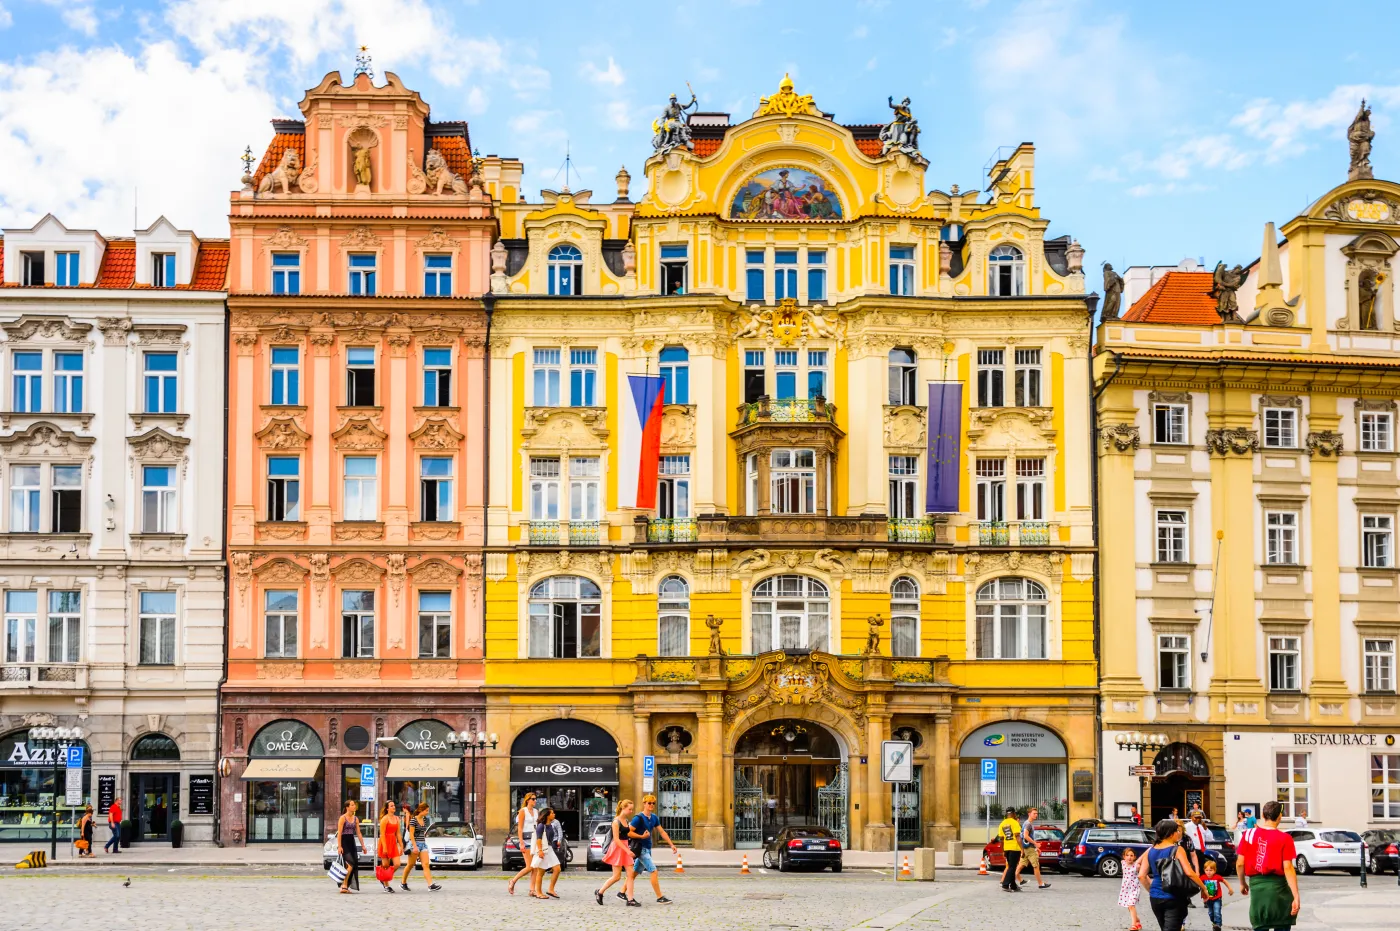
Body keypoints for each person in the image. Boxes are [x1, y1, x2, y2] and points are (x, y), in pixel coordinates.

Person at [1236, 800, 1301, 931]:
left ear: (1263, 815)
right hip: (1279, 889)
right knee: (1282, 923)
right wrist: (1296, 896)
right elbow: (1288, 868)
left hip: (1258, 888)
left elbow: (1240, 863)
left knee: (1260, 925)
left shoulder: (1248, 834)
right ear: (1279, 817)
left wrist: (1242, 883)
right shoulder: (1285, 838)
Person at [1137, 818, 1207, 931]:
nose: (1178, 833)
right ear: (1170, 834)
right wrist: (1203, 888)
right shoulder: (1177, 849)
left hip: (1155, 898)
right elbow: (1189, 873)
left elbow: (1141, 875)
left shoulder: (1151, 850)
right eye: (1177, 831)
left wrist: (1153, 890)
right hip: (1174, 897)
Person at [629, 794, 678, 904]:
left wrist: (671, 844)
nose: (651, 805)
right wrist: (641, 836)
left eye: (653, 803)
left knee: (634, 873)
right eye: (649, 803)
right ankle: (660, 897)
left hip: (647, 848)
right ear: (644, 804)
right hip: (640, 849)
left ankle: (622, 892)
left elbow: (662, 832)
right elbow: (629, 832)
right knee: (654, 871)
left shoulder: (654, 817)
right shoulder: (638, 818)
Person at [595, 799, 639, 907]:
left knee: (630, 874)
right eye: (630, 809)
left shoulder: (626, 821)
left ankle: (630, 899)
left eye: (632, 809)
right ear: (623, 808)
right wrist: (628, 851)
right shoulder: (616, 822)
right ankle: (600, 892)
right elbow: (616, 839)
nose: (631, 811)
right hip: (618, 848)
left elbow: (627, 835)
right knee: (616, 876)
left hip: (624, 847)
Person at [402, 802, 441, 892]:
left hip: (423, 844)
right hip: (414, 844)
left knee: (426, 865)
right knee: (410, 865)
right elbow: (411, 834)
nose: (427, 812)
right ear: (421, 810)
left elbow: (423, 832)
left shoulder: (424, 820)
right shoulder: (413, 820)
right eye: (426, 810)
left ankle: (430, 885)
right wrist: (415, 847)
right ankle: (403, 882)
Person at [507, 793, 538, 895]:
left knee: (535, 867)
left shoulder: (536, 811)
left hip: (535, 840)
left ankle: (532, 890)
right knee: (529, 866)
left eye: (535, 799)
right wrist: (521, 842)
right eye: (533, 799)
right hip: (526, 840)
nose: (535, 801)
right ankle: (513, 880)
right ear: (528, 800)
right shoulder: (522, 811)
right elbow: (520, 828)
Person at [1014, 806, 1051, 889]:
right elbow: (1026, 836)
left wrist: (1036, 847)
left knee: (1021, 865)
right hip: (1029, 849)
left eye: (1037, 814)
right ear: (1029, 814)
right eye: (1034, 813)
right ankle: (1041, 883)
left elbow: (1025, 837)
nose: (1036, 815)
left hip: (1026, 848)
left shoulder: (1026, 823)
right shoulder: (1028, 824)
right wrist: (1036, 844)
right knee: (1036, 865)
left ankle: (1017, 880)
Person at [530, 807, 562, 899]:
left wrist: (556, 843)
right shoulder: (541, 826)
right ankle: (539, 892)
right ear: (547, 815)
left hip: (550, 849)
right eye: (552, 813)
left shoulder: (551, 825)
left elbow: (550, 839)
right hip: (543, 850)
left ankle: (550, 889)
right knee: (541, 872)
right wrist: (540, 850)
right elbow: (538, 839)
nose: (554, 814)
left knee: (557, 868)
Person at [336, 799, 364, 894]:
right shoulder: (342, 818)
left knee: (352, 864)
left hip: (351, 841)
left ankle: (345, 886)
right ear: (347, 807)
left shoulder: (356, 819)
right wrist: (339, 846)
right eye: (352, 805)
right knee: (350, 863)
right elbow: (339, 833)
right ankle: (344, 885)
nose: (354, 806)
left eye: (354, 804)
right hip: (344, 841)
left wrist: (363, 846)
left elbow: (359, 833)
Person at [1200, 859, 1234, 931]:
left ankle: (1218, 925)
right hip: (1208, 899)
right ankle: (1214, 923)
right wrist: (1202, 896)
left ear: (1215, 870)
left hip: (1217, 898)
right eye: (1207, 870)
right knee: (1211, 913)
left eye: (1211, 870)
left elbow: (1224, 881)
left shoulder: (1217, 877)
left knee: (1217, 912)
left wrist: (1230, 888)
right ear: (1204, 870)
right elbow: (1199, 885)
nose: (1208, 872)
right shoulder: (1202, 877)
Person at [377, 800, 401, 893]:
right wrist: (385, 848)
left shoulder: (397, 818)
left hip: (393, 842)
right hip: (384, 842)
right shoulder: (384, 819)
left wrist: (401, 845)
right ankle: (386, 885)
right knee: (386, 865)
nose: (394, 807)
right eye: (391, 806)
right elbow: (382, 834)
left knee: (397, 864)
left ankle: (383, 877)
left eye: (394, 805)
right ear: (387, 808)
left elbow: (398, 833)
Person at [997, 806, 1023, 892]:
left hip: (1007, 848)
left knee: (1012, 866)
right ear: (1014, 814)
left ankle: (1013, 885)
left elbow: (1001, 839)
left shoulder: (1002, 824)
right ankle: (1005, 884)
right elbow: (1017, 836)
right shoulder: (1015, 823)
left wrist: (1003, 850)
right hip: (1014, 848)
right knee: (1012, 867)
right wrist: (1022, 849)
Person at [1119, 847, 1143, 931]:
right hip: (1125, 889)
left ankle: (1134, 925)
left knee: (1131, 905)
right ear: (1124, 857)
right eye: (1127, 855)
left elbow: (1142, 874)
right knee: (1129, 907)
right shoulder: (1123, 863)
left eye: (1132, 855)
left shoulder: (1136, 866)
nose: (1129, 857)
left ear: (1135, 857)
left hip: (1134, 888)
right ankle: (1137, 920)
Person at [1182, 810, 1209, 874]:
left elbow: (1210, 837)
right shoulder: (1187, 826)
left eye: (1199, 818)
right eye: (1196, 817)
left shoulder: (1201, 826)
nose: (1198, 819)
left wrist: (1206, 829)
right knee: (1194, 869)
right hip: (1192, 851)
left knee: (1202, 870)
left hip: (1201, 851)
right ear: (1191, 817)